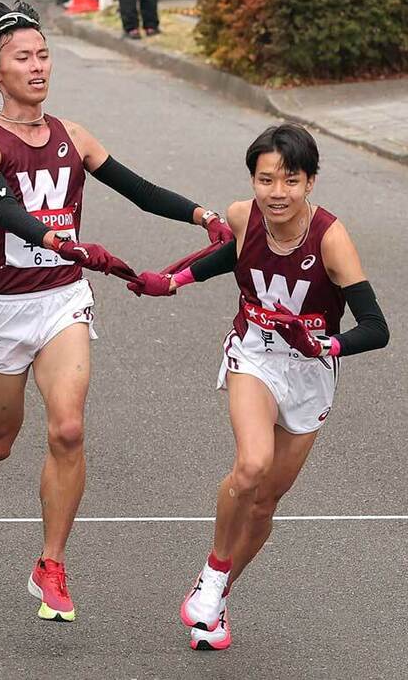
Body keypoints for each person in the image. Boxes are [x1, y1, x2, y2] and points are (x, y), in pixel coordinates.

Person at [0, 0, 232, 623]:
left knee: (68, 428)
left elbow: (138, 188)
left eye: (44, 54)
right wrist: (52, 237)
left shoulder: (73, 136)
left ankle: (50, 563)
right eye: (23, 57)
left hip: (63, 302)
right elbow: (1, 207)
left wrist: (202, 215)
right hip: (5, 308)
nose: (38, 66)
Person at [128, 123, 389, 650]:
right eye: (265, 180)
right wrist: (174, 281)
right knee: (251, 466)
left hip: (311, 369)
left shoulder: (331, 239)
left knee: (266, 502)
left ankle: (217, 594)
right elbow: (233, 255)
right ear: (252, 180)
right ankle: (214, 571)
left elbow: (376, 327)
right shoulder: (244, 216)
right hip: (254, 355)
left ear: (310, 182)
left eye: (290, 181)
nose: (276, 193)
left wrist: (325, 347)